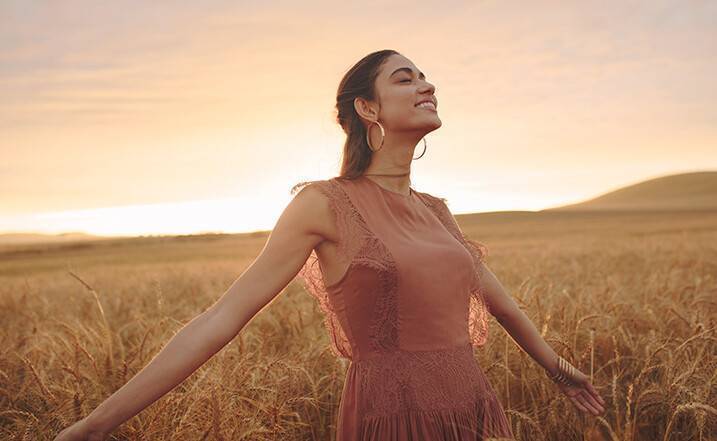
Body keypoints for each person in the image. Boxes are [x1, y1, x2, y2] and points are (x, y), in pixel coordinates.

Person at [54, 49, 605, 441]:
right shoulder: (323, 203)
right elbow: (221, 318)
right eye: (405, 79)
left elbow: (500, 302)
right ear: (368, 110)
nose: (426, 86)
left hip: (472, 407)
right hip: (394, 416)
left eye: (426, 77)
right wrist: (97, 424)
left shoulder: (435, 210)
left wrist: (558, 369)